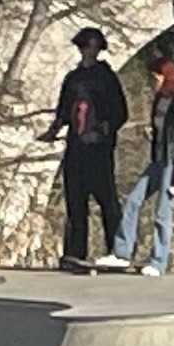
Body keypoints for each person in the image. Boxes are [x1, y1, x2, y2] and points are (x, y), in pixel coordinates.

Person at [52, 28, 129, 271]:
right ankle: (75, 252)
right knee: (75, 199)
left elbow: (119, 112)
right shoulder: (73, 79)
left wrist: (103, 130)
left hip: (99, 147)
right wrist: (55, 129)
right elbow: (64, 110)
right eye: (86, 47)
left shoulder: (107, 78)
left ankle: (116, 249)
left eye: (94, 47)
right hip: (76, 145)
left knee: (106, 198)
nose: (89, 52)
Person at [122, 49, 174, 278]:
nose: (151, 82)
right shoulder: (159, 100)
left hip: (173, 163)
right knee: (133, 199)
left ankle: (158, 261)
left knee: (163, 213)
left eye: (155, 78)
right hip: (158, 159)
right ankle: (122, 251)